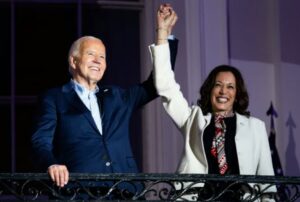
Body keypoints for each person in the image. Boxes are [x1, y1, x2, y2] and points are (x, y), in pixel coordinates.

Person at [31, 12, 178, 191]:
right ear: (74, 61)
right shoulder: (54, 98)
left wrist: (163, 35)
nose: (97, 61)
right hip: (80, 192)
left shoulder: (117, 96)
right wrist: (51, 165)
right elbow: (41, 141)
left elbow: (157, 84)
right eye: (91, 54)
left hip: (126, 191)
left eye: (102, 57)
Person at [151, 4, 276, 201]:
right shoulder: (194, 119)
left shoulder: (256, 127)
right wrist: (162, 34)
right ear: (210, 90)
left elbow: (266, 183)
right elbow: (166, 87)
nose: (223, 91)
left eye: (230, 87)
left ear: (237, 94)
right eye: (218, 85)